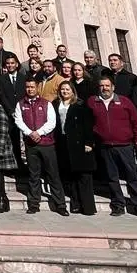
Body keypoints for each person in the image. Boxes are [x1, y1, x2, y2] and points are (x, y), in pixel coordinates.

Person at [88, 77, 137, 219]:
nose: (105, 88)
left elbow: (136, 122)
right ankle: (118, 204)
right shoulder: (93, 102)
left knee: (132, 176)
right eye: (102, 86)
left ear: (113, 87)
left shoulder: (124, 101)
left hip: (125, 145)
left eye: (107, 85)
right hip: (105, 146)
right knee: (112, 177)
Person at [14, 79, 69, 216]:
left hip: (47, 144)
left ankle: (60, 205)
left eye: (32, 87)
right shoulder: (20, 104)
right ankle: (33, 204)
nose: (30, 89)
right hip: (31, 145)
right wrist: (29, 133)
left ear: (37, 88)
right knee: (34, 175)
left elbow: (51, 122)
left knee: (53, 174)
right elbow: (18, 120)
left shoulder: (46, 104)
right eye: (28, 87)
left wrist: (39, 132)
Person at [53, 81, 97, 215]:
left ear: (72, 91)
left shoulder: (80, 104)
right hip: (64, 142)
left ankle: (88, 207)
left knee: (84, 176)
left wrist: (89, 142)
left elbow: (88, 125)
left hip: (79, 143)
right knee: (71, 176)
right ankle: (76, 204)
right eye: (62, 89)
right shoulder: (55, 104)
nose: (64, 91)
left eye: (67, 89)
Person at [0, 56, 28, 168]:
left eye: (12, 63)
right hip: (9, 113)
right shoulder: (1, 78)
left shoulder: (23, 77)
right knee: (13, 139)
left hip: (23, 111)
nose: (10, 65)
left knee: (26, 138)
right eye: (8, 63)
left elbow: (26, 94)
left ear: (16, 64)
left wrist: (20, 109)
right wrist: (11, 111)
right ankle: (17, 163)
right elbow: (1, 95)